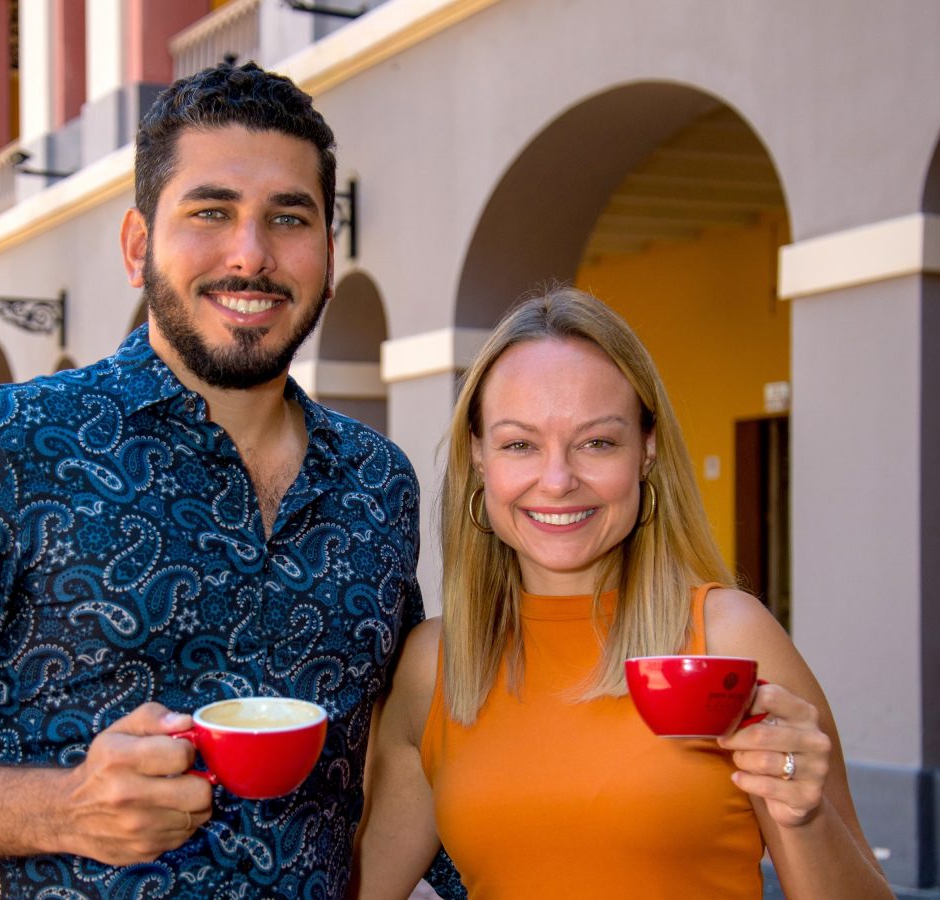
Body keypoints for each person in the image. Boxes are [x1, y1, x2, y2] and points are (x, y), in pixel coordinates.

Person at [0, 62, 425, 899]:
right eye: (210, 211)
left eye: (288, 216)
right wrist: (62, 808)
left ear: (327, 255)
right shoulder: (8, 444)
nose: (252, 253)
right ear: (138, 246)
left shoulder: (377, 484)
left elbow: (398, 747)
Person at [350, 287, 893, 899]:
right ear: (478, 455)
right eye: (520, 444)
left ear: (647, 449)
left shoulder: (727, 641)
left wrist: (804, 814)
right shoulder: (438, 664)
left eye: (597, 442)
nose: (557, 481)